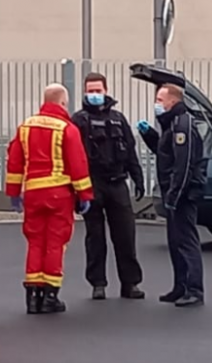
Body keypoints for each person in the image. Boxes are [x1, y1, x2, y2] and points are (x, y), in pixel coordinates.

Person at [6, 84, 94, 314]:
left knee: (35, 242)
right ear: (63, 103)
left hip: (33, 194)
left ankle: (32, 298)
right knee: (55, 243)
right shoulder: (67, 128)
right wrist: (84, 194)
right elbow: (78, 164)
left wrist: (14, 193)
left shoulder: (25, 126)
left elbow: (14, 162)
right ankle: (50, 297)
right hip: (59, 195)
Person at [71, 72, 146, 301]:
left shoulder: (118, 118)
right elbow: (72, 156)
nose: (95, 95)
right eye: (90, 91)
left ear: (106, 91)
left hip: (117, 182)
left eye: (98, 90)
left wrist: (138, 178)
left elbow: (130, 150)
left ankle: (130, 283)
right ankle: (98, 284)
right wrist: (75, 191)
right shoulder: (78, 120)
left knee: (125, 235)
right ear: (85, 92)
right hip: (91, 184)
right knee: (95, 238)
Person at [136, 83, 206, 307]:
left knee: (187, 241)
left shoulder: (182, 125)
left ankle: (194, 289)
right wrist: (149, 135)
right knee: (175, 241)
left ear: (172, 102)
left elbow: (183, 165)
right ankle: (180, 286)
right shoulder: (170, 125)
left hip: (183, 194)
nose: (157, 104)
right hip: (173, 192)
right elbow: (165, 153)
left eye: (160, 100)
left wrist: (175, 195)